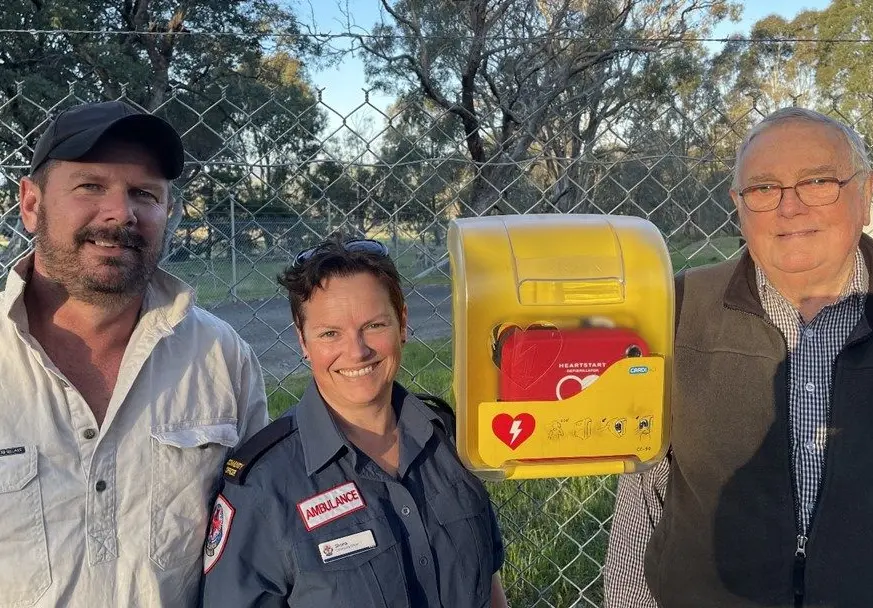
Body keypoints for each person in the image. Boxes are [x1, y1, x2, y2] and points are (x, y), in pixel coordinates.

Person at [604, 107, 873, 607]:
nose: (789, 208)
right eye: (764, 188)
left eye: (817, 181)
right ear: (738, 205)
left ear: (866, 191)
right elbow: (643, 497)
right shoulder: (675, 309)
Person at [0, 100, 269, 607]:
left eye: (144, 193)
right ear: (31, 202)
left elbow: (259, 542)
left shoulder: (220, 357)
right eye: (91, 186)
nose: (121, 213)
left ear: (167, 210)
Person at [200, 236, 509, 608]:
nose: (357, 351)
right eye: (330, 333)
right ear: (303, 341)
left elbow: (488, 586)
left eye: (375, 325)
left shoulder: (452, 442)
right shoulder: (264, 486)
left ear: (403, 323)